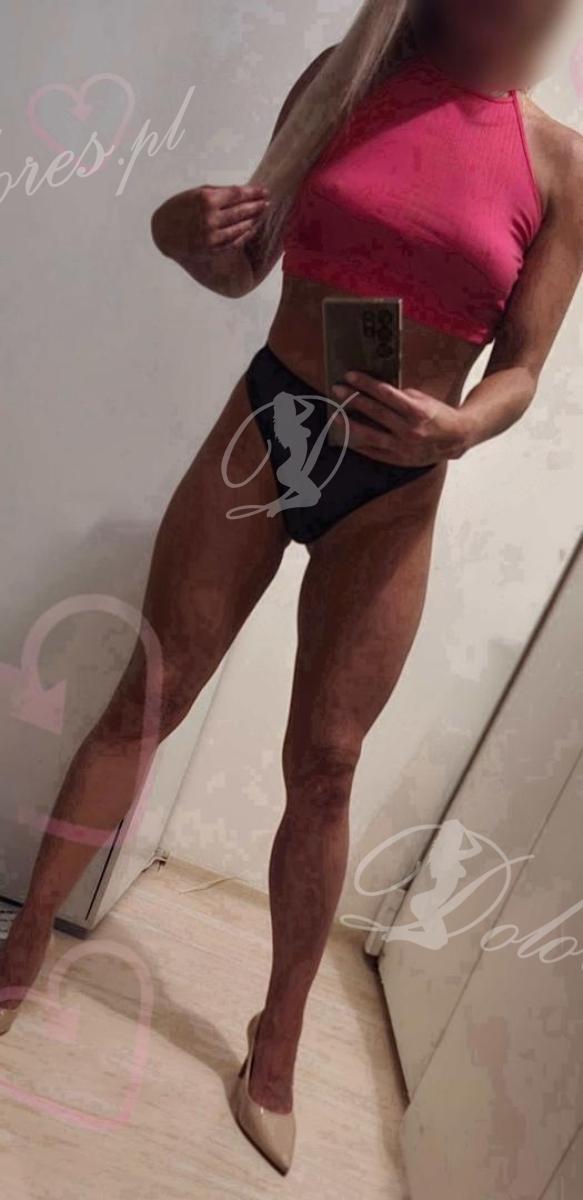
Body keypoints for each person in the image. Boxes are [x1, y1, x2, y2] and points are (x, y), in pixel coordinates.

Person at [2, 0, 582, 1176]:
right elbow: (236, 264)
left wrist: (461, 427)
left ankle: (277, 1043)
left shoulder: (563, 166)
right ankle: (21, 951)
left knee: (326, 766)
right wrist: (178, 227)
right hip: (267, 427)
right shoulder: (345, 75)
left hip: (397, 484)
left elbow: (523, 367)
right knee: (146, 698)